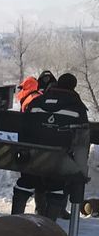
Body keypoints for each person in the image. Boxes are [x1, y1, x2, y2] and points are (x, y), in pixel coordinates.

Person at [13, 72, 90, 218]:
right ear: (73, 87)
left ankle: (12, 220)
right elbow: (82, 141)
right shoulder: (77, 107)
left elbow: (23, 128)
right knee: (57, 185)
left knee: (26, 181)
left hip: (32, 156)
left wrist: (23, 150)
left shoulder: (37, 101)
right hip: (58, 159)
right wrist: (80, 168)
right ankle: (48, 226)